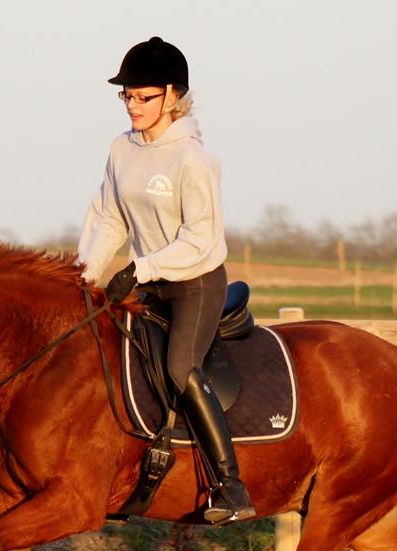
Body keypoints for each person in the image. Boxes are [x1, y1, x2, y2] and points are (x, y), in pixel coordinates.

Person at [77, 35, 255, 524]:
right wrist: (87, 277)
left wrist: (141, 268)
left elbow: (201, 239)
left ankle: (230, 486)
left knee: (179, 368)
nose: (133, 105)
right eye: (127, 96)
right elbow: (109, 217)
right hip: (149, 282)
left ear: (173, 97)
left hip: (195, 284)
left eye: (144, 96)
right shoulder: (121, 149)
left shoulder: (193, 160)